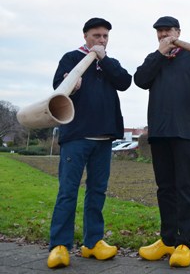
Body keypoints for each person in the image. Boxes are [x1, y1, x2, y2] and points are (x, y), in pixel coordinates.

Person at [134, 16, 190, 268]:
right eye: (159, 32)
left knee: (185, 187)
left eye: (167, 31)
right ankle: (167, 239)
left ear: (178, 32)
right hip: (160, 133)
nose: (163, 35)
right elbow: (140, 80)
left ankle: (185, 242)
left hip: (187, 133)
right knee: (165, 188)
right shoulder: (155, 59)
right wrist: (159, 55)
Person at [47, 18, 132, 269]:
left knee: (97, 192)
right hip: (76, 136)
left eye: (105, 36)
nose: (101, 40)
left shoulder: (109, 63)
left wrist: (103, 59)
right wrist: (71, 85)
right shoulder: (71, 58)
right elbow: (58, 88)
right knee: (68, 191)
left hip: (104, 138)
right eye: (96, 36)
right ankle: (60, 246)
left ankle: (93, 243)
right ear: (85, 36)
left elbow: (124, 82)